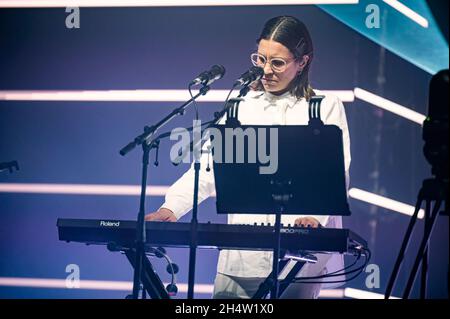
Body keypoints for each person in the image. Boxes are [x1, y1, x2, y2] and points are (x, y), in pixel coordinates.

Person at [145, 15, 351, 299]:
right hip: (240, 258)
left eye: (277, 62)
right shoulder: (239, 106)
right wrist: (172, 208)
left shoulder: (324, 106)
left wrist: (313, 216)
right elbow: (207, 169)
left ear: (302, 62)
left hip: (300, 259)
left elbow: (334, 171)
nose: (266, 70)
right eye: (260, 59)